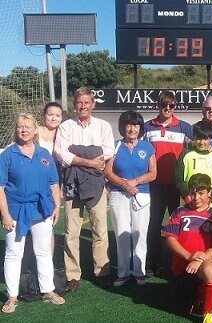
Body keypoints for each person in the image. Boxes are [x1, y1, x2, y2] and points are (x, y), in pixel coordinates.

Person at [0, 113, 65, 313]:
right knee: (13, 253)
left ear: (35, 130)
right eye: (20, 126)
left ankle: (48, 290)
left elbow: (54, 183)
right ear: (16, 130)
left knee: (43, 251)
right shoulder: (7, 155)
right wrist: (5, 215)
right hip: (16, 211)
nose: (24, 130)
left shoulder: (44, 153)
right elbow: (0, 187)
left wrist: (56, 207)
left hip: (42, 209)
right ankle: (12, 296)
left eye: (28, 126)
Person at [54, 87, 115, 291]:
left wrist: (76, 154)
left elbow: (107, 151)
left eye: (86, 102)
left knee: (99, 230)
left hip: (96, 184)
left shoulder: (103, 126)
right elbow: (61, 154)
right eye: (79, 102)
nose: (83, 106)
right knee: (71, 231)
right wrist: (89, 160)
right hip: (72, 184)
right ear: (75, 104)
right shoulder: (65, 127)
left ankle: (102, 271)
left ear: (92, 104)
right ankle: (72, 275)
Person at [142, 91, 194, 276]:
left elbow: (201, 143)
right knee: (153, 225)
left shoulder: (183, 127)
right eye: (164, 105)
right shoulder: (147, 127)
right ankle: (153, 262)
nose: (168, 109)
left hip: (175, 185)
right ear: (159, 105)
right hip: (153, 185)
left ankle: (177, 261)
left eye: (171, 105)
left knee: (177, 226)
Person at [104, 111, 157, 287]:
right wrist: (125, 185)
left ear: (140, 128)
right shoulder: (115, 146)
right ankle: (123, 273)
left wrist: (135, 182)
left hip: (141, 194)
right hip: (119, 194)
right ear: (122, 127)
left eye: (135, 125)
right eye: (128, 125)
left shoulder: (147, 147)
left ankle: (139, 273)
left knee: (140, 233)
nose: (132, 129)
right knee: (122, 234)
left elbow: (153, 173)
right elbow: (108, 172)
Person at [165, 173, 212, 323]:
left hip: (201, 266)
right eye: (193, 193)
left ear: (209, 192)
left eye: (201, 193)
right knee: (180, 305)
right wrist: (188, 256)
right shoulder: (179, 212)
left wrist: (199, 259)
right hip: (182, 268)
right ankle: (197, 296)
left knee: (210, 268)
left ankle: (208, 314)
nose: (196, 197)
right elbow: (170, 239)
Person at [175, 120, 212, 214]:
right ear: (193, 137)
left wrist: (210, 198)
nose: (201, 142)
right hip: (189, 204)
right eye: (198, 138)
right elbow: (178, 178)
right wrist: (187, 197)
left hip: (211, 205)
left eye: (205, 139)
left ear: (211, 139)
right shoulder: (186, 154)